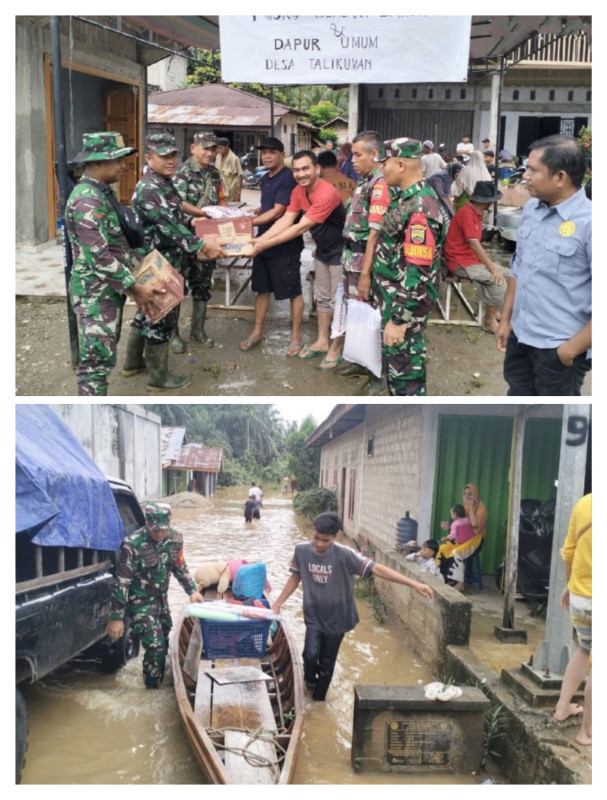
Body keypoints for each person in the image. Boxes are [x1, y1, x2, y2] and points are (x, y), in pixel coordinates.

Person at [271, 512, 433, 701]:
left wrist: (414, 583)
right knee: (310, 655)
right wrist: (277, 603)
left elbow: (377, 569)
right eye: (316, 538)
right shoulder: (301, 551)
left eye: (325, 540)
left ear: (335, 537)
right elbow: (295, 577)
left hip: (338, 620)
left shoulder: (345, 555)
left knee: (326, 664)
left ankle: (318, 701)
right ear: (313, 531)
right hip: (313, 616)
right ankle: (309, 682)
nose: (319, 544)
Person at [123, 133, 225, 391]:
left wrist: (192, 221)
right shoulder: (150, 188)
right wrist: (202, 245)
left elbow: (176, 215)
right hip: (158, 260)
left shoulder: (164, 182)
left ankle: (133, 363)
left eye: (173, 155)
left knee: (146, 312)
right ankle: (158, 378)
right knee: (162, 316)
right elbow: (168, 226)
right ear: (149, 158)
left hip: (163, 257)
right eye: (163, 156)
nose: (170, 161)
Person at [65, 131, 164, 395]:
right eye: (117, 160)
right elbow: (99, 256)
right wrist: (134, 287)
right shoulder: (87, 200)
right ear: (96, 163)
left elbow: (116, 241)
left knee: (104, 356)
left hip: (107, 291)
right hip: (95, 294)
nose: (123, 165)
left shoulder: (101, 192)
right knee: (95, 366)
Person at [495, 135, 592, 396]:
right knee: (518, 409)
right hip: (521, 338)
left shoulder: (591, 223)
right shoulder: (532, 210)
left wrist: (570, 350)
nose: (525, 175)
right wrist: (506, 320)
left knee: (551, 422)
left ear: (560, 178)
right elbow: (519, 268)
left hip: (558, 350)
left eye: (533, 170)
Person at [249, 150, 346, 361]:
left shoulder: (326, 193)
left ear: (317, 169)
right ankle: (322, 341)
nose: (301, 174)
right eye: (296, 170)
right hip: (322, 250)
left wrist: (263, 244)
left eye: (305, 169)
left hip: (342, 251)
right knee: (322, 298)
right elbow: (286, 220)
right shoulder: (299, 191)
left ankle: (336, 348)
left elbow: (300, 228)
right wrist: (259, 241)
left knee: (338, 300)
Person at [371, 138, 449, 396]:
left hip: (404, 310)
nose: (382, 169)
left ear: (401, 164)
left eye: (385, 163)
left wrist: (398, 319)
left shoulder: (420, 208)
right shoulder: (406, 199)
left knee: (407, 380)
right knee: (396, 368)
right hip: (393, 302)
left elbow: (417, 272)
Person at [107, 502, 203, 688]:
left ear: (169, 523)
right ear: (147, 523)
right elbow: (122, 582)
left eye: (162, 530)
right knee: (155, 645)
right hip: (139, 602)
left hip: (161, 600)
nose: (158, 534)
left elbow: (179, 566)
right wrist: (116, 617)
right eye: (154, 530)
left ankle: (158, 673)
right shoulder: (132, 544)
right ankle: (152, 690)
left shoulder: (175, 539)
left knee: (165, 633)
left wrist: (192, 590)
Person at [322, 130, 390, 382]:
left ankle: (379, 375)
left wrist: (365, 274)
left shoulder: (380, 185)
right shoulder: (365, 182)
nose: (352, 161)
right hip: (352, 258)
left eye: (358, 155)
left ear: (375, 154)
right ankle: (362, 362)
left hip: (365, 262)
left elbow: (374, 234)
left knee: (373, 315)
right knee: (357, 312)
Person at [239, 137, 304, 356]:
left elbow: (278, 212)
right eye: (263, 152)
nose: (266, 156)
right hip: (262, 244)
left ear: (281, 154)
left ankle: (296, 336)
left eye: (271, 152)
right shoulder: (266, 178)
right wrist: (256, 211)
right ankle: (256, 331)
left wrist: (245, 223)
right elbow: (268, 205)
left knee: (293, 290)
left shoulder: (288, 178)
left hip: (285, 244)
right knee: (261, 288)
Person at [172, 131, 228, 351]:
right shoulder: (181, 172)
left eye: (213, 148)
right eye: (205, 148)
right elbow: (178, 202)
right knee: (176, 286)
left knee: (202, 283)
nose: (209, 152)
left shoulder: (214, 173)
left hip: (208, 237)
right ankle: (173, 335)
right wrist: (203, 214)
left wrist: (227, 212)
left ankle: (198, 331)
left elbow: (220, 199)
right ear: (193, 148)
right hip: (183, 237)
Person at [444, 180, 511, 333]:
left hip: (469, 259)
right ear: (487, 202)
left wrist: (491, 267)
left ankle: (492, 311)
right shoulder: (467, 213)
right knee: (498, 281)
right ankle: (488, 320)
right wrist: (492, 268)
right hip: (459, 262)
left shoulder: (474, 212)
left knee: (510, 274)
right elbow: (474, 244)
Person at [552, 493, 591, 746]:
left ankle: (562, 707)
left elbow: (568, 553)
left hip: (580, 597)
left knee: (584, 649)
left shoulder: (585, 502)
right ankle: (587, 733)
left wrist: (568, 586)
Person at [436, 484, 488, 591]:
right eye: (464, 494)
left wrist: (471, 506)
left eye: (470, 494)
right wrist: (450, 526)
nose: (466, 496)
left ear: (475, 495)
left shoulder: (481, 509)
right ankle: (444, 576)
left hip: (476, 540)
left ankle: (460, 584)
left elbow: (473, 524)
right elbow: (462, 524)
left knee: (456, 553)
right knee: (443, 549)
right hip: (463, 538)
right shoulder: (466, 506)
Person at [215, 137, 243, 202]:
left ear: (227, 147)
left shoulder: (234, 159)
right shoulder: (218, 157)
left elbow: (240, 175)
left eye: (221, 147)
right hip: (220, 191)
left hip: (230, 193)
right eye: (218, 148)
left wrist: (238, 194)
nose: (219, 150)